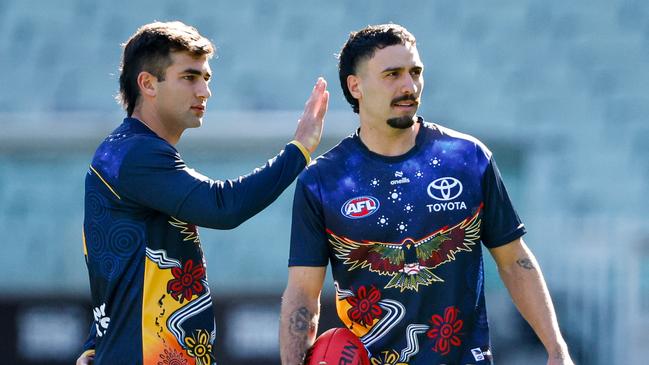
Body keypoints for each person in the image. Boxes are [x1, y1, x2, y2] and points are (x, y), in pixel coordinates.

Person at [279, 24, 573, 365]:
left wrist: (556, 349)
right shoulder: (322, 181)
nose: (409, 86)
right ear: (355, 86)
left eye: (415, 72)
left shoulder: (468, 158)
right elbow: (303, 293)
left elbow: (514, 260)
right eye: (392, 74)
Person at [76, 21, 329, 365]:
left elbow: (112, 270)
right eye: (189, 77)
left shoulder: (126, 152)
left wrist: (97, 345)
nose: (205, 91)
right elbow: (221, 206)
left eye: (206, 78)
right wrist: (299, 150)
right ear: (148, 83)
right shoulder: (136, 155)